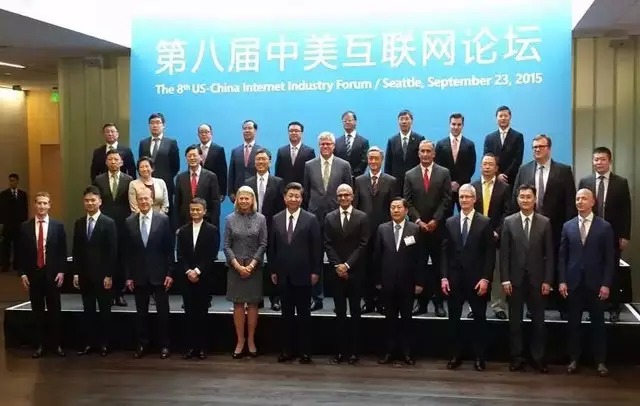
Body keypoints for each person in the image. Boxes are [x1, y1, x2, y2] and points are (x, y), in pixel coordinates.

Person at [558, 188, 614, 377]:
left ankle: (600, 361)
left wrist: (606, 284)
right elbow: (562, 256)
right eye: (577, 199)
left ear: (592, 202)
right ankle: (574, 359)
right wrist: (562, 280)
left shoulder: (604, 227)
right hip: (573, 283)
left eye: (584, 198)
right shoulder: (568, 226)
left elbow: (609, 259)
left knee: (598, 324)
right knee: (573, 324)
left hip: (596, 284)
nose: (580, 202)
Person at [441, 184, 495, 371]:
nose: (464, 200)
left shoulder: (485, 222)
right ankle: (455, 355)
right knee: (453, 320)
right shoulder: (450, 222)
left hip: (477, 280)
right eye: (461, 197)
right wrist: (444, 277)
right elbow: (444, 252)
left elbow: (490, 254)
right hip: (454, 280)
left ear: (474, 199)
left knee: (479, 319)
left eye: (467, 197)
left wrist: (486, 279)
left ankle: (479, 357)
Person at [501, 184, 554, 373]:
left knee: (539, 323)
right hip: (514, 281)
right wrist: (505, 279)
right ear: (517, 199)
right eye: (522, 197)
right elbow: (504, 254)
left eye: (528, 197)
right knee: (515, 322)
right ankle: (517, 357)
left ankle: (538, 358)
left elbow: (550, 254)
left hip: (538, 281)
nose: (525, 200)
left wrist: (548, 280)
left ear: (535, 199)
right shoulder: (508, 222)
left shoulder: (545, 222)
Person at [269, 182, 322, 364]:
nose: (293, 199)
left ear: (301, 198)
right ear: (284, 198)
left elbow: (316, 248)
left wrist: (316, 271)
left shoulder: (311, 219)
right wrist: (273, 270)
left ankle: (305, 352)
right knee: (286, 316)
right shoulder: (276, 219)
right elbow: (272, 248)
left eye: (297, 196)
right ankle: (286, 351)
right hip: (283, 275)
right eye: (290, 195)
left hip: (304, 275)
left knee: (304, 316)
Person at [578, 146, 631, 323]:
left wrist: (625, 235)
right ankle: (591, 308)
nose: (599, 163)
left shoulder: (621, 182)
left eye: (602, 159)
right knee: (591, 271)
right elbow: (579, 208)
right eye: (596, 159)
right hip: (589, 233)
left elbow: (626, 210)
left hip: (613, 234)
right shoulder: (585, 181)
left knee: (612, 270)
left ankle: (614, 308)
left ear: (609, 161)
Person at [303, 131, 352, 311]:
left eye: (328, 144)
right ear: (319, 146)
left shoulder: (344, 165)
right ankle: (317, 298)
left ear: (334, 146)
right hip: (314, 217)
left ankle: (340, 299)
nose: (325, 146)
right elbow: (306, 192)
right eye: (322, 144)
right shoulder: (309, 165)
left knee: (338, 257)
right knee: (315, 258)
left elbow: (349, 191)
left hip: (337, 218)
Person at [404, 140, 452, 317]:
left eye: (428, 151)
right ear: (418, 154)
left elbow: (447, 199)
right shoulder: (409, 174)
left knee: (439, 266)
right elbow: (407, 201)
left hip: (438, 229)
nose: (425, 154)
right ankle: (421, 303)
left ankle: (439, 303)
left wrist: (435, 220)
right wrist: (418, 221)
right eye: (422, 151)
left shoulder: (444, 173)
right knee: (419, 266)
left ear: (434, 154)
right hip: (418, 230)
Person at [124, 189, 174, 359]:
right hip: (138, 274)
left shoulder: (163, 220)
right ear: (136, 201)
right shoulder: (129, 221)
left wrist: (169, 272)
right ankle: (142, 344)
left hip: (160, 274)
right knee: (141, 314)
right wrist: (128, 276)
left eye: (146, 198)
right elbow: (127, 252)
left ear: (152, 200)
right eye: (140, 199)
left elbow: (169, 249)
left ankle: (164, 345)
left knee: (163, 313)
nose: (144, 201)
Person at [17, 192, 67, 358]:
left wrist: (61, 271)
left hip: (52, 274)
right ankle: (40, 345)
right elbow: (21, 253)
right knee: (37, 312)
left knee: (55, 311)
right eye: (39, 203)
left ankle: (56, 345)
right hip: (34, 275)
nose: (42, 206)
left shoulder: (58, 226)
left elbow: (62, 251)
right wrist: (23, 273)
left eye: (45, 203)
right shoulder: (25, 227)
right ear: (35, 205)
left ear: (49, 205)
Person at [375, 198, 423, 366]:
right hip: (387, 283)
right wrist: (378, 281)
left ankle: (407, 352)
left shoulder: (415, 229)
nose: (395, 210)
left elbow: (420, 259)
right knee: (390, 320)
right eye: (392, 207)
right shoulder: (382, 229)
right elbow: (377, 257)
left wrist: (419, 282)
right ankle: (389, 352)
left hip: (408, 283)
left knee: (407, 320)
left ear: (406, 210)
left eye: (398, 207)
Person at [323, 183, 369, 364]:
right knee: (340, 313)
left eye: (346, 195)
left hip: (355, 272)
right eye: (340, 195)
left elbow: (363, 244)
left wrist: (348, 265)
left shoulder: (362, 217)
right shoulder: (329, 217)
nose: (343, 197)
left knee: (356, 312)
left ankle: (355, 352)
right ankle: (340, 352)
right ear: (337, 198)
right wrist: (338, 265)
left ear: (352, 197)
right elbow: (327, 244)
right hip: (336, 273)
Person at [72, 185, 117, 357]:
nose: (90, 203)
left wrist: (109, 274)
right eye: (87, 200)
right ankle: (89, 343)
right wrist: (76, 272)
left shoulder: (109, 223)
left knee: (105, 312)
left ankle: (105, 344)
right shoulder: (79, 223)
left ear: (100, 201)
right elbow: (76, 250)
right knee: (88, 311)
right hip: (85, 275)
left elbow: (113, 251)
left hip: (103, 276)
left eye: (93, 200)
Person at [223, 186, 268, 358]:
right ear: (236, 200)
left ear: (252, 200)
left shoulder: (261, 219)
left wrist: (251, 265)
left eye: (247, 198)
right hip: (235, 268)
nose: (243, 201)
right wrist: (237, 265)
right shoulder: (229, 219)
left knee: (253, 304)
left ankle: (251, 340)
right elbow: (226, 245)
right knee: (239, 305)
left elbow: (263, 244)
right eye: (241, 198)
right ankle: (240, 341)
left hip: (254, 268)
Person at [354, 146, 396, 314]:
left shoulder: (391, 181)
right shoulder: (359, 181)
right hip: (364, 232)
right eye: (370, 158)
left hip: (384, 232)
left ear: (382, 160)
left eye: (376, 158)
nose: (373, 161)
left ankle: (382, 302)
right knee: (365, 268)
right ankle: (368, 301)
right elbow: (356, 206)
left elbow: (394, 207)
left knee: (383, 268)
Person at [176, 198, 220, 360]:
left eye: (198, 209)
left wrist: (198, 271)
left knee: (202, 313)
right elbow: (180, 254)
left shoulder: (212, 230)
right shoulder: (182, 231)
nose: (195, 212)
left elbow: (212, 254)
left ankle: (202, 347)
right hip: (187, 278)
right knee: (189, 313)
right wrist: (188, 271)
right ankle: (189, 347)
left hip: (204, 278)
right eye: (192, 209)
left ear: (204, 211)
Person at [470, 153, 510, 319]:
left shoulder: (504, 188)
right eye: (484, 164)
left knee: (497, 272)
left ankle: (498, 306)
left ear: (496, 168)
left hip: (496, 236)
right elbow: (469, 211)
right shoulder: (472, 186)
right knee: (475, 270)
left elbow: (507, 213)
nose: (487, 167)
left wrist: (497, 231)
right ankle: (474, 305)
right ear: (480, 166)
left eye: (490, 164)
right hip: (476, 236)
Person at [245, 148, 285, 311]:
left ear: (270, 161)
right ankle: (257, 298)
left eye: (264, 159)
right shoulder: (248, 183)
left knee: (274, 264)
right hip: (253, 230)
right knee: (255, 265)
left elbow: (281, 207)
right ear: (254, 162)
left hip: (273, 228)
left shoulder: (278, 182)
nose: (261, 162)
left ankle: (275, 299)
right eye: (258, 159)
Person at [93, 148, 133, 307]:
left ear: (122, 162)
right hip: (104, 225)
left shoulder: (129, 180)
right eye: (110, 159)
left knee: (121, 259)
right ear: (106, 162)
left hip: (123, 224)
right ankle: (106, 294)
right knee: (106, 258)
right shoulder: (99, 179)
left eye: (116, 159)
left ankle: (120, 294)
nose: (113, 162)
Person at [137, 113, 180, 215]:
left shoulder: (171, 142)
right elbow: (141, 164)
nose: (155, 125)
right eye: (152, 123)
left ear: (163, 125)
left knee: (166, 215)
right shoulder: (143, 143)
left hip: (165, 185)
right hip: (145, 184)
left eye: (158, 122)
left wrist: (165, 177)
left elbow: (175, 166)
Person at [434, 113, 476, 214]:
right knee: (445, 217)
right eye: (453, 124)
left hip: (463, 188)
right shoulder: (440, 145)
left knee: (466, 216)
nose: (456, 127)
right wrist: (449, 183)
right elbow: (437, 166)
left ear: (463, 125)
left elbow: (471, 167)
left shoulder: (469, 145)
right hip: (445, 188)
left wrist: (458, 183)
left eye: (459, 124)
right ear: (449, 124)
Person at [174, 144, 221, 228]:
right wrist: (177, 226)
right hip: (185, 223)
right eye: (189, 156)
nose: (192, 158)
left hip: (206, 222)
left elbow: (215, 202)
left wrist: (213, 225)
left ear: (201, 157)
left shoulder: (211, 176)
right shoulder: (180, 178)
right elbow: (177, 203)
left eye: (194, 155)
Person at [384, 109, 425, 196]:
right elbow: (388, 164)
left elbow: (422, 161)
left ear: (411, 121)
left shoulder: (419, 139)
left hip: (415, 182)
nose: (404, 122)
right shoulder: (392, 141)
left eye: (406, 119)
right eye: (401, 119)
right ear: (398, 122)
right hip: (396, 183)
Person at [482, 105, 524, 185]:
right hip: (493, 178)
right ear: (496, 118)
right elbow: (487, 158)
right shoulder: (489, 138)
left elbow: (517, 159)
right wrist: (497, 174)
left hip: (511, 179)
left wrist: (505, 175)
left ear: (510, 117)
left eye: (505, 116)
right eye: (500, 116)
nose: (503, 118)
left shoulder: (518, 136)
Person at [0, 173, 28, 272]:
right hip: (7, 224)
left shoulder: (22, 194)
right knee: (6, 246)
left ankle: (17, 265)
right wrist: (2, 223)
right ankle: (5, 265)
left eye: (13, 180)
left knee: (18, 246)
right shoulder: (3, 194)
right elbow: (1, 210)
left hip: (19, 224)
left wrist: (25, 223)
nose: (11, 183)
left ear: (17, 181)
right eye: (10, 180)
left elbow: (25, 209)